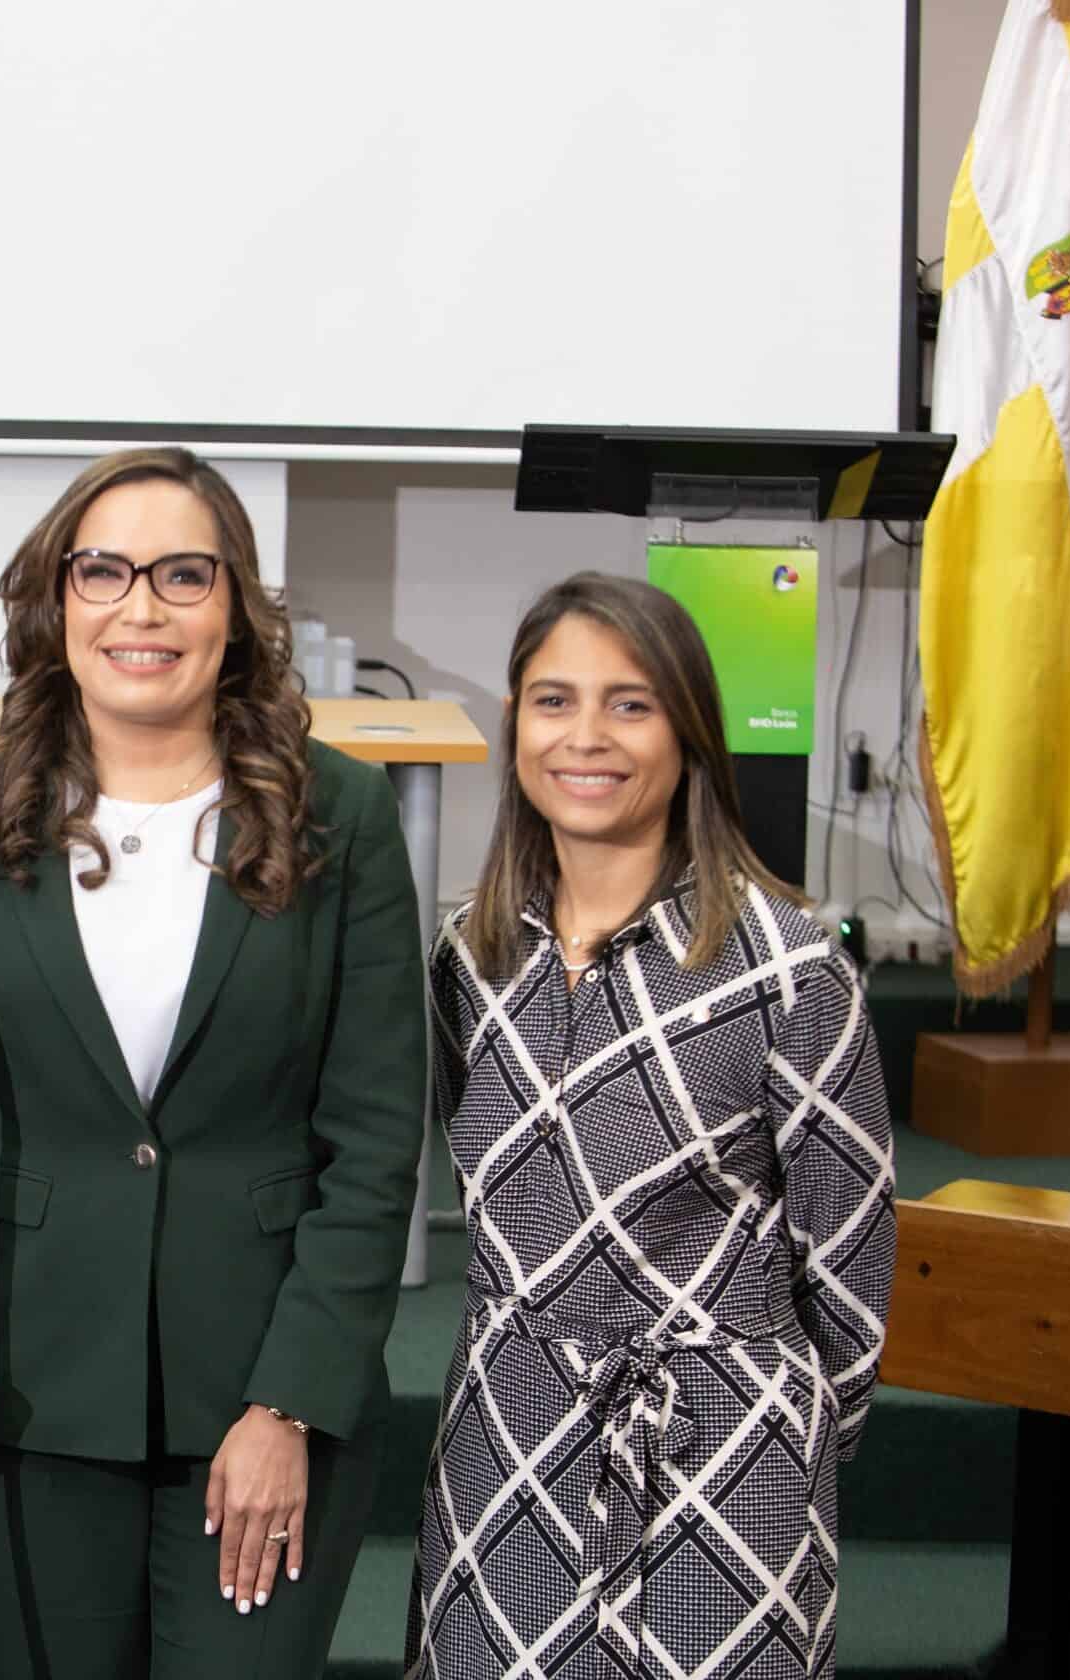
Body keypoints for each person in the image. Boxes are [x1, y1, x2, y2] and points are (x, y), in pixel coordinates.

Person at [0, 446, 426, 1678]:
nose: (142, 607)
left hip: (267, 1394)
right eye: (104, 570)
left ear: (237, 609)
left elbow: (377, 1143)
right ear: (55, 600)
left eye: (184, 574)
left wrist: (289, 1402)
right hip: (26, 1386)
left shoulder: (342, 817)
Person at [404, 572, 895, 1679]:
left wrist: (774, 1453)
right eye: (552, 700)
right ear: (516, 727)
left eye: (630, 704)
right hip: (506, 1439)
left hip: (724, 1458)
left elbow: (850, 1280)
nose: (587, 737)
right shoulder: (468, 963)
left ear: (689, 737)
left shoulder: (789, 972)